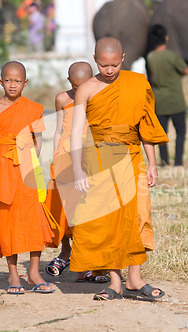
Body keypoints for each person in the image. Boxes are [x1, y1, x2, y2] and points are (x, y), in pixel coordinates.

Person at [70, 37, 168, 301]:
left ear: (123, 59)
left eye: (114, 64)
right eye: (103, 65)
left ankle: (134, 279)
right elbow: (77, 131)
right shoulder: (86, 89)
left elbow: (146, 127)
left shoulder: (138, 83)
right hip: (100, 160)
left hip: (133, 156)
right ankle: (115, 281)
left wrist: (153, 164)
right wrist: (78, 170)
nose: (109, 70)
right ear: (95, 59)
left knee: (137, 216)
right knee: (108, 220)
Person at [0, 61, 56, 294]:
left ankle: (34, 272)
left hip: (29, 170)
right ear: (0, 82)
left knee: (34, 219)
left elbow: (38, 138)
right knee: (8, 221)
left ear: (25, 83)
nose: (13, 85)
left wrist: (34, 161)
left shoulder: (33, 108)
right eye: (8, 80)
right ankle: (12, 275)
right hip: (5, 171)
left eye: (18, 81)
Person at [44, 61, 109, 283]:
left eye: (86, 85)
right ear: (69, 81)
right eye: (76, 85)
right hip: (64, 157)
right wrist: (54, 155)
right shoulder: (62, 99)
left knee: (85, 208)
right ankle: (65, 252)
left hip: (87, 156)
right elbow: (59, 129)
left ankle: (85, 261)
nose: (81, 90)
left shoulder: (98, 97)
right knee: (63, 208)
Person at [146, 24, 188, 167]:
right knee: (180, 133)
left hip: (160, 102)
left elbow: (150, 76)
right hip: (176, 100)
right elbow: (186, 71)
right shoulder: (172, 56)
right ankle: (178, 162)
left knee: (161, 135)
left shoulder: (150, 57)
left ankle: (164, 162)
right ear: (166, 38)